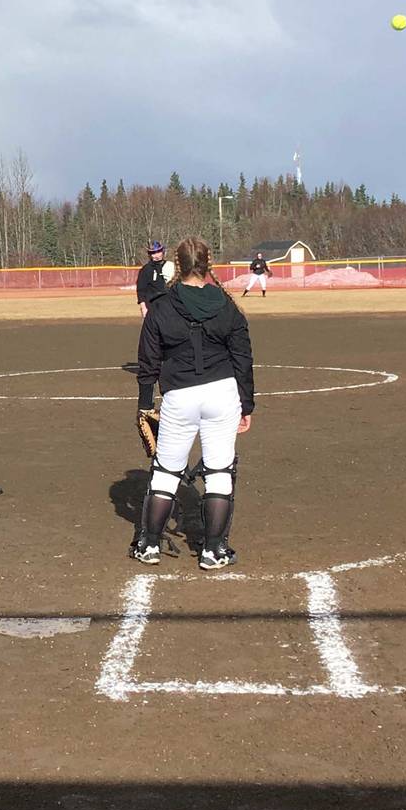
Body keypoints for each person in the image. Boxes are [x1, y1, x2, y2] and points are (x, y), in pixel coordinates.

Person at [132, 236, 254, 570]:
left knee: (166, 472)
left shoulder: (162, 305)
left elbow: (148, 361)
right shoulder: (226, 304)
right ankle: (213, 550)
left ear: (177, 264)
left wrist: (145, 404)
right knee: (219, 472)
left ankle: (149, 545)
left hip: (180, 396)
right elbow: (242, 357)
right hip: (222, 394)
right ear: (207, 263)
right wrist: (247, 405)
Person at [135, 240, 171, 317]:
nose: (156, 255)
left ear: (162, 251)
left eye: (158, 252)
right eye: (153, 253)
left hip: (169, 306)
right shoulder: (146, 269)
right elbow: (141, 290)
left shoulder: (170, 267)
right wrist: (143, 308)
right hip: (152, 306)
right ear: (150, 255)